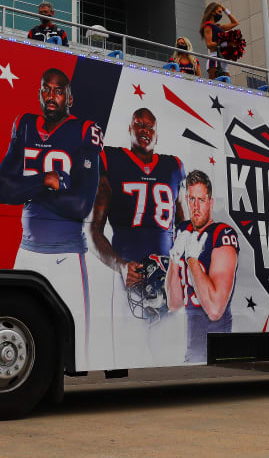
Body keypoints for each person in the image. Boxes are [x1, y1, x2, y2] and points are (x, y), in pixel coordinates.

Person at [0, 68, 104, 365]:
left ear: (70, 97)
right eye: (45, 89)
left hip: (67, 257)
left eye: (58, 91)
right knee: (20, 333)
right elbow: (2, 190)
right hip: (26, 253)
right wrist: (45, 181)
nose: (50, 96)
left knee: (78, 345)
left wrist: (27, 190)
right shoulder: (26, 125)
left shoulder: (84, 130)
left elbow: (81, 205)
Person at [90, 108, 186, 365]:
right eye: (139, 125)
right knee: (126, 356)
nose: (144, 130)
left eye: (150, 127)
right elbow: (94, 231)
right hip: (129, 283)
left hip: (166, 282)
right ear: (130, 130)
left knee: (172, 360)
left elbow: (184, 225)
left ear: (157, 134)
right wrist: (120, 266)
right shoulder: (112, 160)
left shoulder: (173, 166)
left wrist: (181, 266)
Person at [166, 170, 239, 363]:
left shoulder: (222, 234)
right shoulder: (183, 230)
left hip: (215, 339)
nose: (195, 207)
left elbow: (215, 309)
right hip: (192, 342)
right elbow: (174, 303)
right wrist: (175, 260)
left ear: (211, 202)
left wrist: (191, 260)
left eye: (201, 200)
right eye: (192, 199)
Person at [200, 3, 239, 80]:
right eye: (219, 12)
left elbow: (235, 23)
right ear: (213, 12)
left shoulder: (219, 27)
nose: (221, 14)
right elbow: (209, 44)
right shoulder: (208, 26)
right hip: (214, 58)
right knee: (214, 85)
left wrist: (225, 10)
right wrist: (225, 44)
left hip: (223, 59)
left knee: (228, 86)